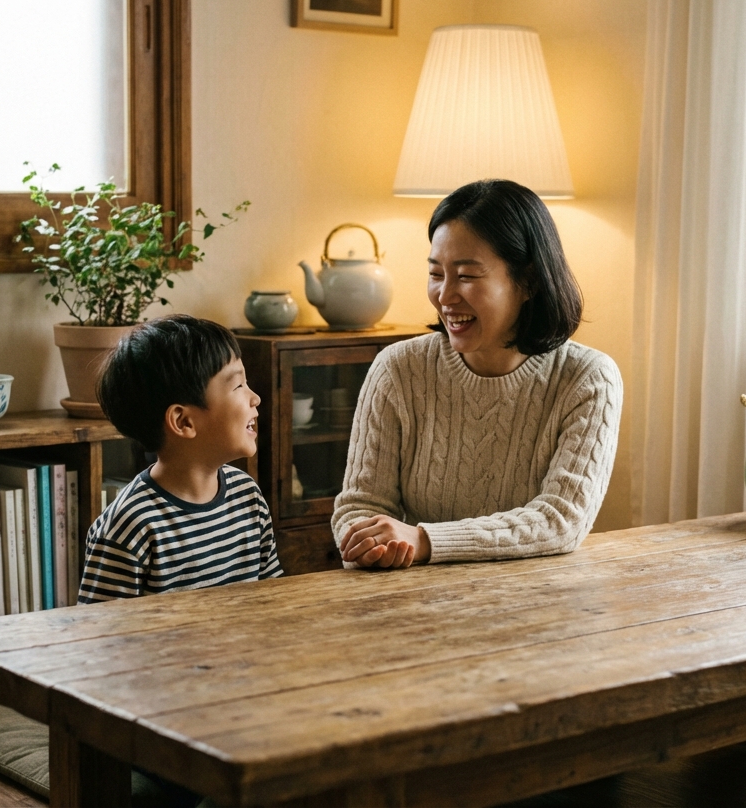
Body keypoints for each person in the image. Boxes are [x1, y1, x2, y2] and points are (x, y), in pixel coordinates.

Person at [333, 179, 623, 569]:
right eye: (436, 274)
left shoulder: (588, 379)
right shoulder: (398, 368)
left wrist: (425, 540)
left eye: (467, 276)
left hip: (540, 603)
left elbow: (561, 519)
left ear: (529, 282)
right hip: (412, 598)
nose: (445, 296)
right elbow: (360, 505)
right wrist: (373, 545)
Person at [78, 314, 282, 603]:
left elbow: (272, 600)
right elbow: (99, 637)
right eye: (238, 386)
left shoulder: (247, 497)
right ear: (183, 421)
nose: (255, 398)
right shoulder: (129, 527)